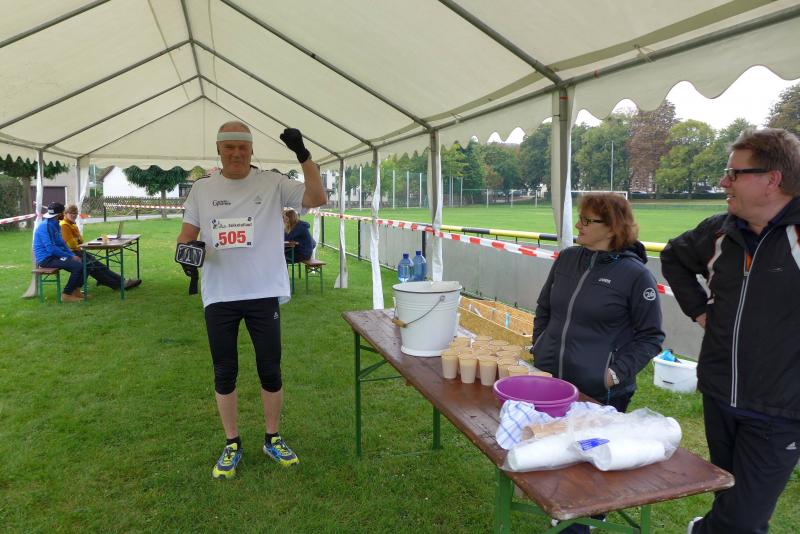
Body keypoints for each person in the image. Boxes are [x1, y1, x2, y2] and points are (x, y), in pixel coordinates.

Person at [661, 128, 800, 534]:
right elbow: (673, 257)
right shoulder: (720, 230)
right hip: (719, 394)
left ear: (772, 180)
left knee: (743, 518)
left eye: (734, 173)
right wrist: (699, 311)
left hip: (779, 409)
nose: (724, 182)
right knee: (730, 495)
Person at [178, 121, 326, 479]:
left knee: (270, 368)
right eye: (229, 147)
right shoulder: (202, 189)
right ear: (218, 150)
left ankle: (272, 438)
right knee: (224, 371)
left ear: (251, 150)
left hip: (262, 292)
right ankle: (232, 443)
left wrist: (303, 154)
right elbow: (185, 237)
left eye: (242, 147)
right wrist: (186, 254)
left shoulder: (272, 182)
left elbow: (316, 198)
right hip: (220, 295)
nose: (236, 153)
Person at [531, 194, 665, 533]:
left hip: (600, 392)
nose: (578, 225)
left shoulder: (635, 276)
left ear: (613, 228)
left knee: (587, 468)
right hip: (553, 381)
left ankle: (586, 520)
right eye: (580, 217)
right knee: (555, 453)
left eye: (587, 220)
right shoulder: (567, 259)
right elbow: (545, 307)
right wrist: (539, 345)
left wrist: (613, 374)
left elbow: (651, 336)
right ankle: (564, 511)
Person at [59, 204, 141, 291]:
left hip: (77, 251)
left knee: (99, 264)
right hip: (71, 253)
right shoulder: (65, 225)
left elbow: (81, 240)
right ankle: (118, 284)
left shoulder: (72, 224)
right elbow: (71, 244)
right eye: (71, 213)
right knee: (92, 266)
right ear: (65, 213)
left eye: (75, 213)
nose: (74, 215)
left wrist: (77, 240)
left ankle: (123, 280)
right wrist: (77, 240)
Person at [32, 202, 85, 302]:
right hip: (46, 259)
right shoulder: (45, 226)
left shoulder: (55, 224)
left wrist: (71, 254)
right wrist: (70, 256)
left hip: (53, 256)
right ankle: (66, 295)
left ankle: (76, 291)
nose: (64, 214)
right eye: (63, 213)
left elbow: (62, 243)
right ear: (59, 214)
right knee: (78, 266)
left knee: (83, 262)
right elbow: (51, 249)